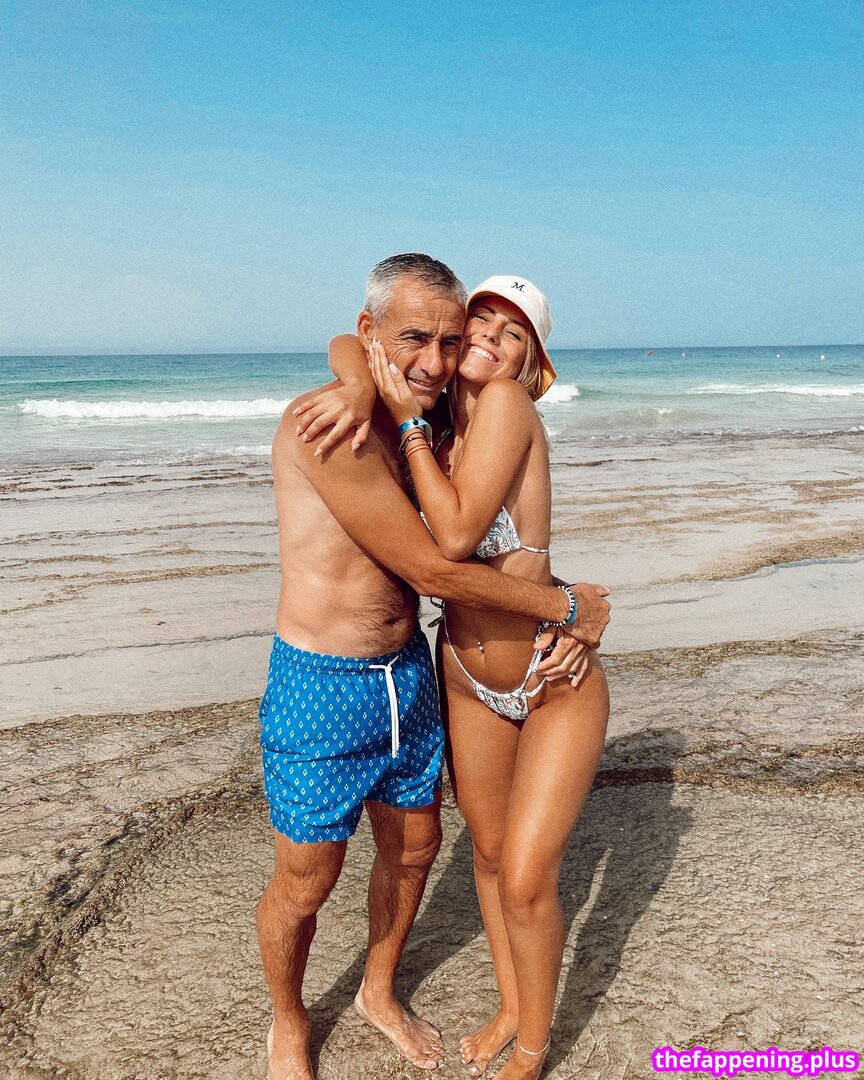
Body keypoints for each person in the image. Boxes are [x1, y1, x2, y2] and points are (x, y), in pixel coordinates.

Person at [259, 253, 611, 1080]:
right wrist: (568, 606)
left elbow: (500, 540)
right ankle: (288, 1021)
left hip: (412, 672)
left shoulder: (435, 420)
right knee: (306, 880)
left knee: (416, 850)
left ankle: (378, 991)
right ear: (372, 334)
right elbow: (434, 567)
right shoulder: (334, 424)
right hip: (325, 680)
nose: (440, 357)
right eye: (420, 338)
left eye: (453, 341)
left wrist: (370, 379)